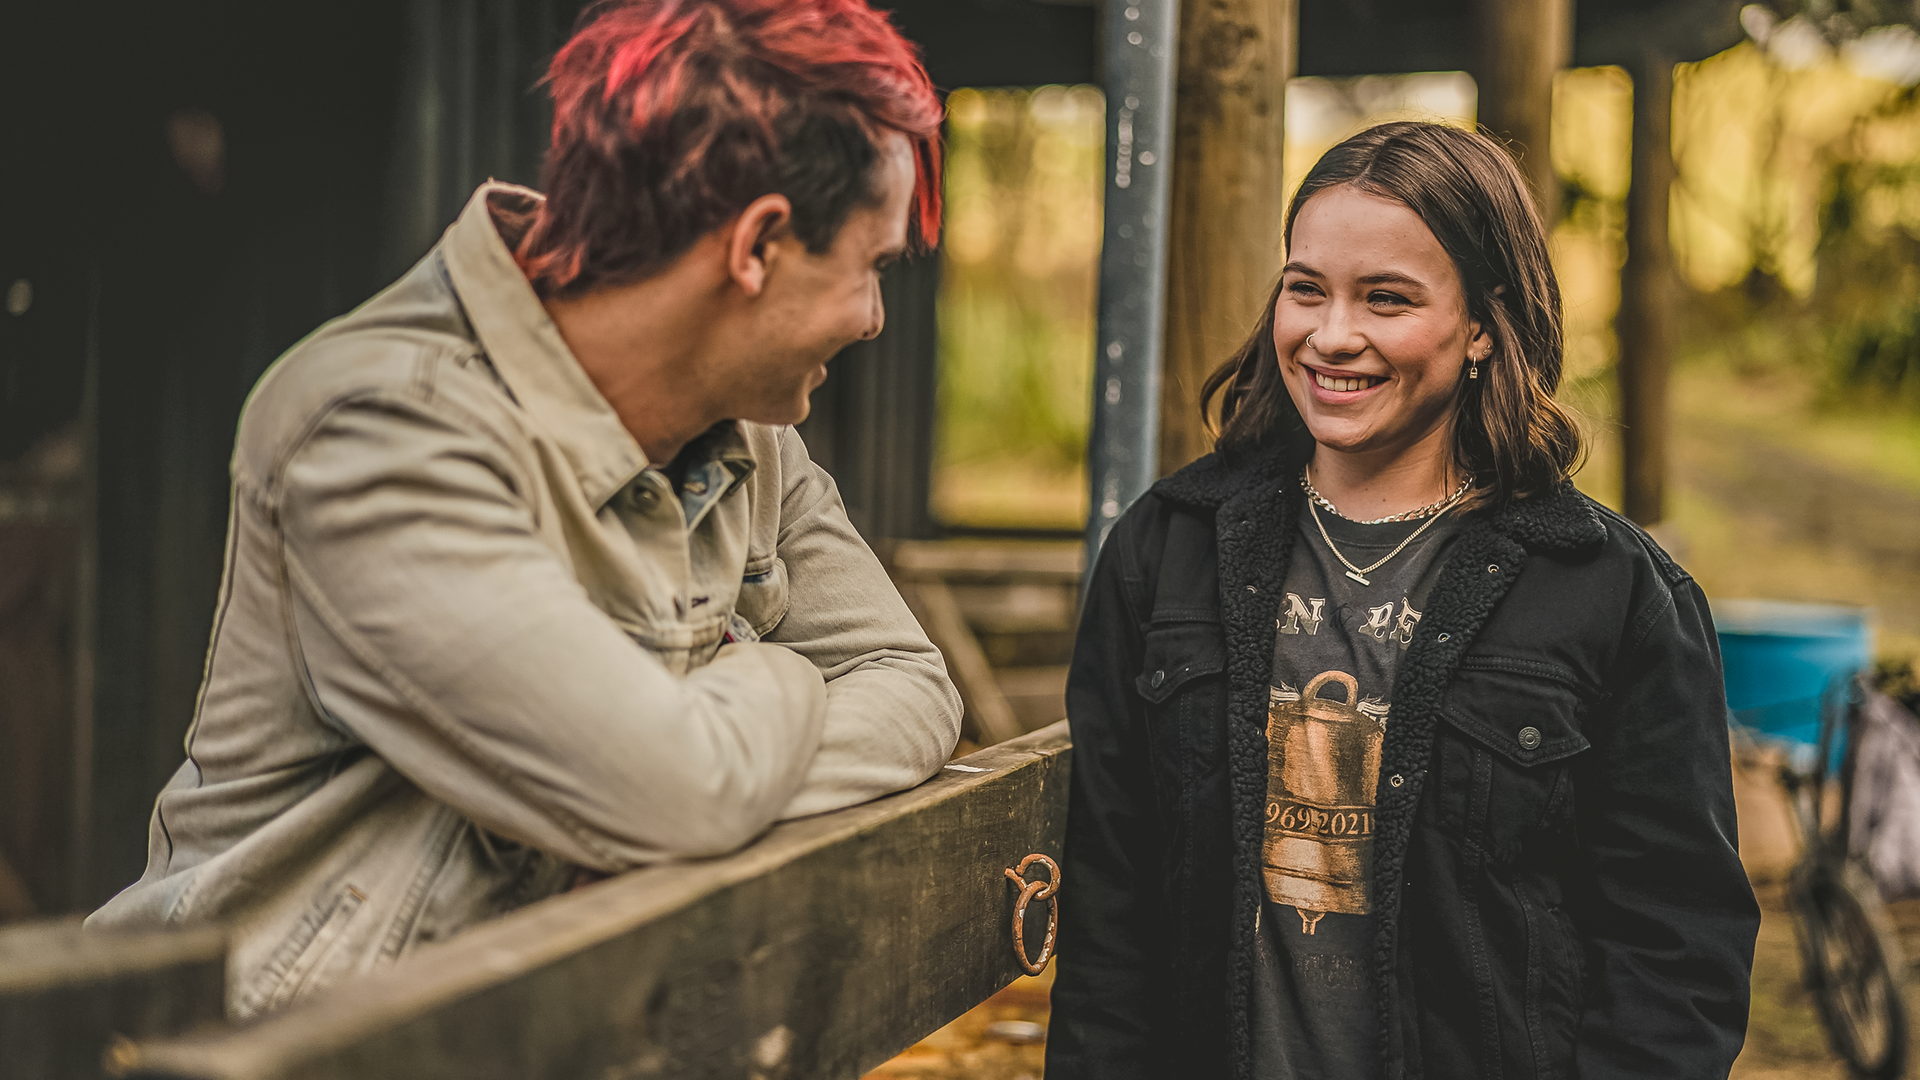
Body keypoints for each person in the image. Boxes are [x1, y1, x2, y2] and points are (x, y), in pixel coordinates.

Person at [87, 0, 961, 1019]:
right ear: (758, 244)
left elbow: (908, 684)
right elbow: (679, 792)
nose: (873, 319)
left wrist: (683, 769)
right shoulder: (377, 430)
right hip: (277, 1050)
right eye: (869, 268)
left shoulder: (754, 433)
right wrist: (765, 667)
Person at [1047, 121, 1760, 1080]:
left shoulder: (1612, 593)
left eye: (1387, 298)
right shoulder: (1166, 552)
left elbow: (1677, 947)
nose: (1332, 335)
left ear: (1482, 326)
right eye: (1307, 288)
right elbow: (1110, 912)